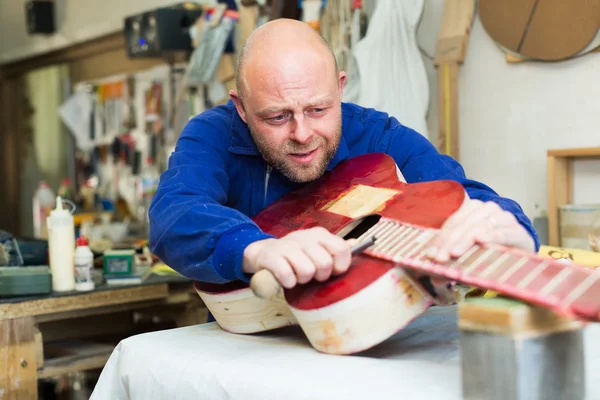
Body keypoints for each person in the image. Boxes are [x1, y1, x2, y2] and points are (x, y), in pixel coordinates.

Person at [148, 18, 539, 291]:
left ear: (340, 89)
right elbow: (175, 212)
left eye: (318, 109)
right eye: (277, 116)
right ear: (241, 107)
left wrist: (511, 231)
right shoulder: (212, 132)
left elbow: (466, 197)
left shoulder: (377, 134)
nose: (302, 134)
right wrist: (259, 249)